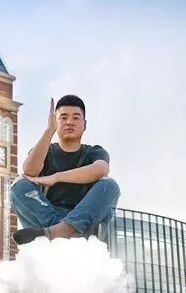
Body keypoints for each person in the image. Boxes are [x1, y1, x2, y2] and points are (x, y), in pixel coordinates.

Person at [10, 95, 120, 245]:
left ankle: (61, 231)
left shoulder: (93, 152)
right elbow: (29, 171)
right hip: (50, 217)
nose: (69, 122)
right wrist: (49, 131)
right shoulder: (46, 151)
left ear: (84, 124)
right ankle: (66, 231)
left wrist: (56, 177)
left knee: (110, 185)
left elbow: (101, 169)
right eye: (63, 117)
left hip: (86, 220)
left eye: (76, 118)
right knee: (19, 184)